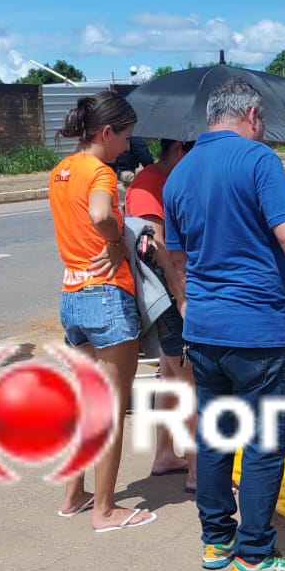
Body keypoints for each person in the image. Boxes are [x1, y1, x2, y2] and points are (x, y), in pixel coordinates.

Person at [163, 78, 285, 571]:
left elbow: (173, 255)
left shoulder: (178, 175)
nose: (263, 129)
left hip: (203, 331)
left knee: (217, 435)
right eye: (263, 120)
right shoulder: (258, 160)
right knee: (265, 444)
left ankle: (217, 540)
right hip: (258, 330)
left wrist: (186, 304)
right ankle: (253, 557)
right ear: (250, 113)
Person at [47, 90, 157, 533]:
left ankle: (74, 495)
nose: (128, 146)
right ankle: (106, 511)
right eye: (125, 137)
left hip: (72, 294)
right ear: (107, 132)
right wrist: (115, 242)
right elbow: (99, 215)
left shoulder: (61, 170)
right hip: (106, 295)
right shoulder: (101, 172)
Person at [123, 137, 197, 489]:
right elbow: (156, 246)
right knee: (192, 385)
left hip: (167, 296)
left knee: (171, 380)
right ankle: (201, 472)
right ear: (180, 149)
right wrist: (181, 294)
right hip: (166, 299)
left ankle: (166, 454)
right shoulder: (148, 185)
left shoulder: (162, 181)